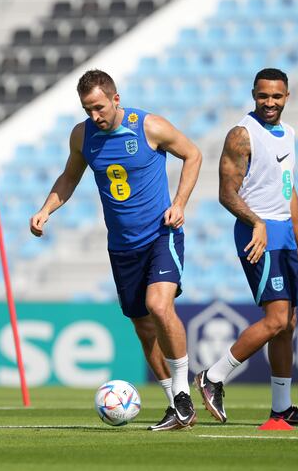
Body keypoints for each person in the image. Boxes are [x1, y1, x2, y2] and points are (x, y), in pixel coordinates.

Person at [30, 69, 202, 430]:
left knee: (158, 305)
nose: (95, 116)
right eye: (87, 109)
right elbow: (70, 176)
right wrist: (46, 210)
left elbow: (193, 155)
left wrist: (181, 202)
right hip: (122, 247)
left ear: (115, 99)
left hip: (161, 233)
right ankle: (175, 405)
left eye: (99, 107)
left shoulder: (149, 126)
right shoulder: (82, 135)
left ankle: (184, 392)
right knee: (142, 326)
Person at [193, 68, 298, 427]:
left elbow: (288, 189)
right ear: (254, 94)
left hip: (282, 234)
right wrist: (257, 223)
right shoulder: (241, 135)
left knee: (288, 324)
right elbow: (226, 193)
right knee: (276, 318)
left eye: (276, 96)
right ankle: (213, 377)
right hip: (258, 234)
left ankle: (282, 410)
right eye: (263, 96)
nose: (269, 103)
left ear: (287, 97)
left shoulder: (289, 134)